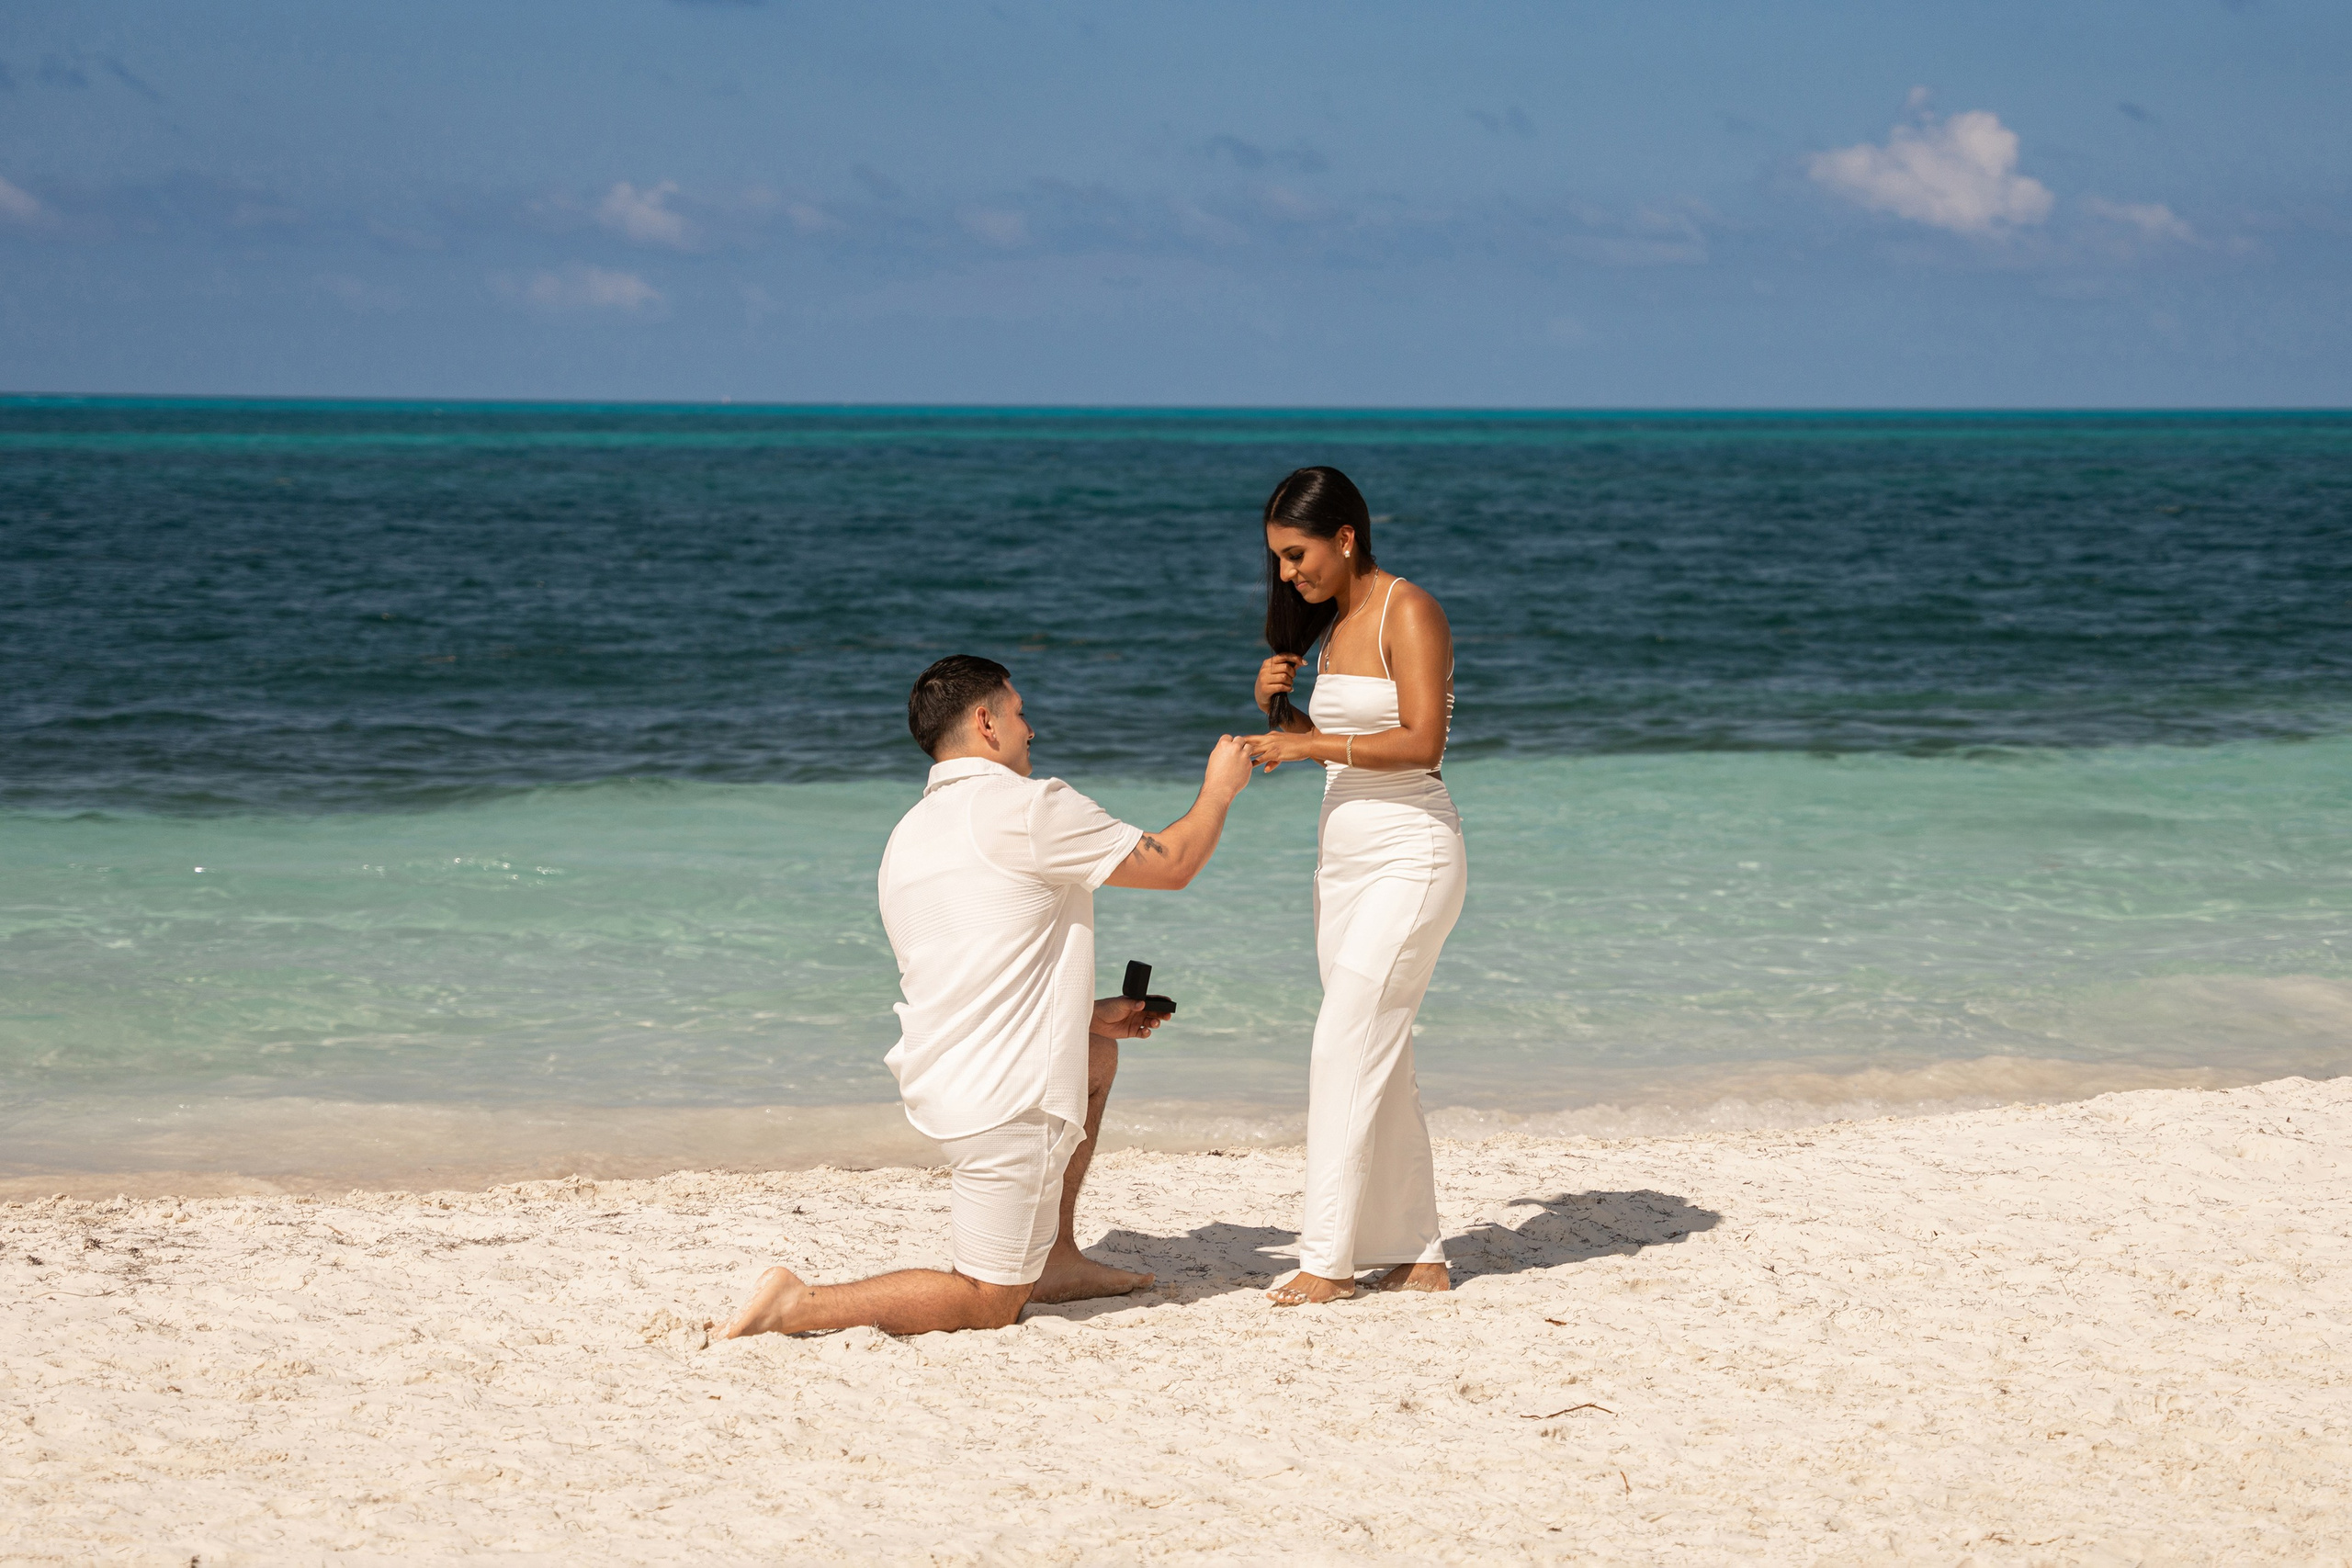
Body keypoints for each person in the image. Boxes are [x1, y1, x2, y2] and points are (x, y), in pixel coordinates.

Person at [725, 655, 1254, 1337]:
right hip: (1009, 1102)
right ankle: (799, 1303)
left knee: (1095, 1056)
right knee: (988, 1299)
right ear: (986, 721)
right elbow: (1173, 864)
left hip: (947, 1081)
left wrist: (1085, 1016)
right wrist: (1220, 788)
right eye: (1021, 712)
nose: (1030, 729)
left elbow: (970, 970)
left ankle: (1056, 1257)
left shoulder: (906, 836)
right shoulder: (1029, 807)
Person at [1241, 467, 1466, 1306]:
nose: (1288, 574)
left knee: (1343, 1041)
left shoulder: (1410, 609)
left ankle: (1326, 1256)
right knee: (1382, 1048)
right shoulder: (1333, 629)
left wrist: (1310, 747)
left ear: (1345, 536)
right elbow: (1342, 742)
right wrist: (1285, 717)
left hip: (1413, 854)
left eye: (1297, 555)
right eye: (1278, 561)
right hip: (1344, 863)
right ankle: (1419, 1249)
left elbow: (1423, 744)